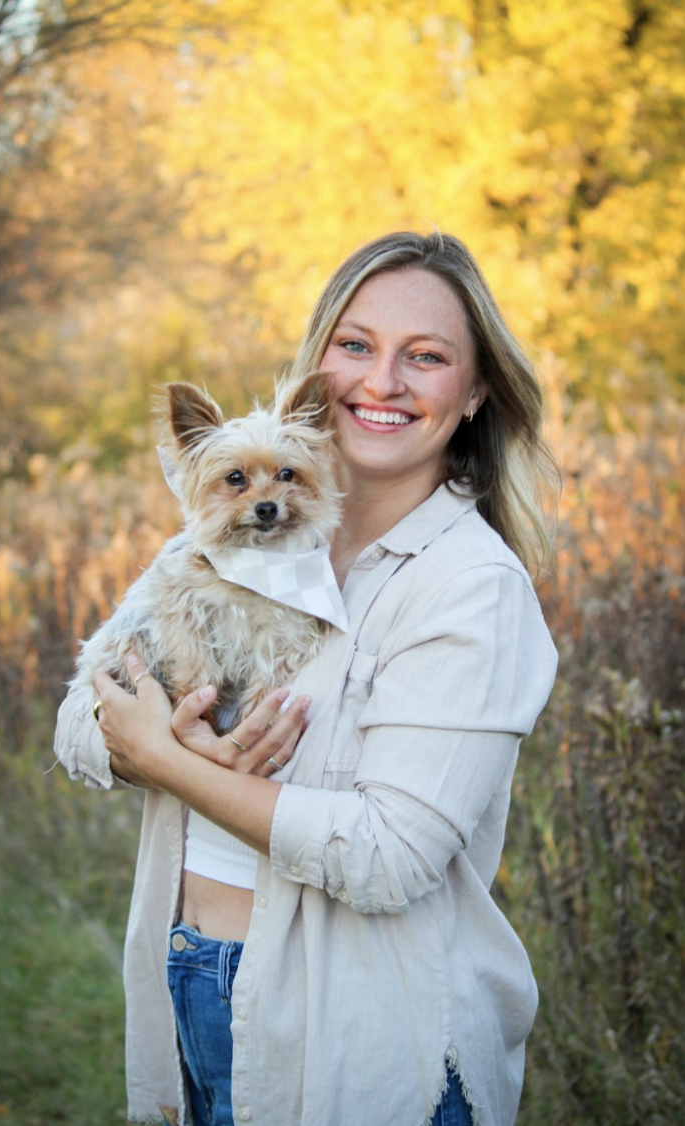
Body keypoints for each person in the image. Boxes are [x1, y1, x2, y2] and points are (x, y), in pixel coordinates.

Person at [54, 230, 559, 1126]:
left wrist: (175, 764)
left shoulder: (469, 587)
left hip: (362, 1031)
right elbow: (79, 724)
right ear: (321, 369)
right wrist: (149, 737)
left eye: (427, 357)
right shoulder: (242, 540)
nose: (383, 381)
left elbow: (389, 859)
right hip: (194, 976)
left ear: (476, 391)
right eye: (357, 346)